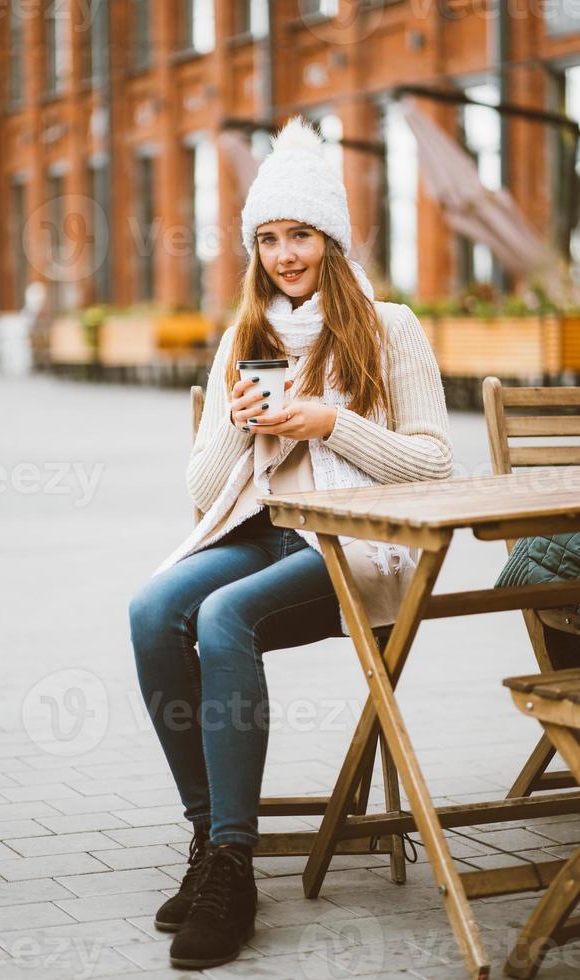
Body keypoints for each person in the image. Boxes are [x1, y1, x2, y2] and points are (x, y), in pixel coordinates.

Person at [128, 116, 453, 970]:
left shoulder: (391, 327)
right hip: (266, 535)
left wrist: (331, 423)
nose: (284, 255)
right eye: (267, 238)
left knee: (225, 618)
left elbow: (434, 463)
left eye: (299, 234)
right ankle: (209, 843)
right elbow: (205, 495)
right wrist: (239, 423)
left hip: (358, 547)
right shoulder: (246, 338)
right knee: (154, 607)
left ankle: (235, 864)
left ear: (331, 240)